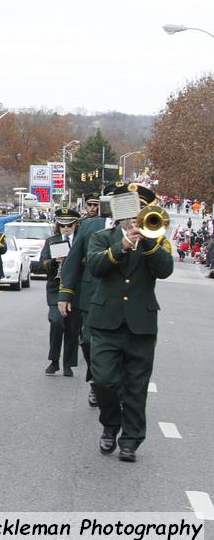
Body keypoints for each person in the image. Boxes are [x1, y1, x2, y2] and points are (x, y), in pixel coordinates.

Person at [85, 184, 173, 462]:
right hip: (106, 322)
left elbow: (165, 270)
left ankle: (131, 440)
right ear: (119, 213)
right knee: (103, 381)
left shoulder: (156, 240)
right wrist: (121, 246)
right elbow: (96, 268)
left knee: (136, 386)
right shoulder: (102, 237)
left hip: (141, 325)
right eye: (130, 211)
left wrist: (146, 240)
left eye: (140, 210)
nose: (134, 217)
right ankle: (111, 425)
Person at [59, 191, 110, 408]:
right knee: (89, 341)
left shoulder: (141, 228)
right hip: (92, 294)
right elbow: (73, 260)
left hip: (123, 298)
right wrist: (66, 293)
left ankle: (113, 384)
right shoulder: (90, 226)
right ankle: (96, 381)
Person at [34, 208, 80, 377]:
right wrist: (53, 262)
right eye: (62, 225)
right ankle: (54, 361)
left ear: (75, 225)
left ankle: (68, 364)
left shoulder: (80, 241)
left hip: (75, 289)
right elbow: (39, 266)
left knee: (72, 327)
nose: (65, 228)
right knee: (56, 321)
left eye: (69, 225)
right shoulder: (51, 241)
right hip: (56, 288)